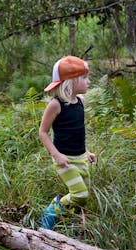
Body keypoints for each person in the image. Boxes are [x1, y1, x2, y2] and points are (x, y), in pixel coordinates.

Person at [38, 55, 96, 230]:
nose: (88, 82)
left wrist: (86, 151)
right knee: (80, 194)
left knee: (83, 197)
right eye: (84, 78)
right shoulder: (56, 105)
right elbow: (43, 132)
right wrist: (57, 155)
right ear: (70, 82)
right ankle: (51, 211)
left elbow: (78, 132)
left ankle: (69, 224)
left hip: (80, 157)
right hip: (65, 160)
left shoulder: (80, 102)